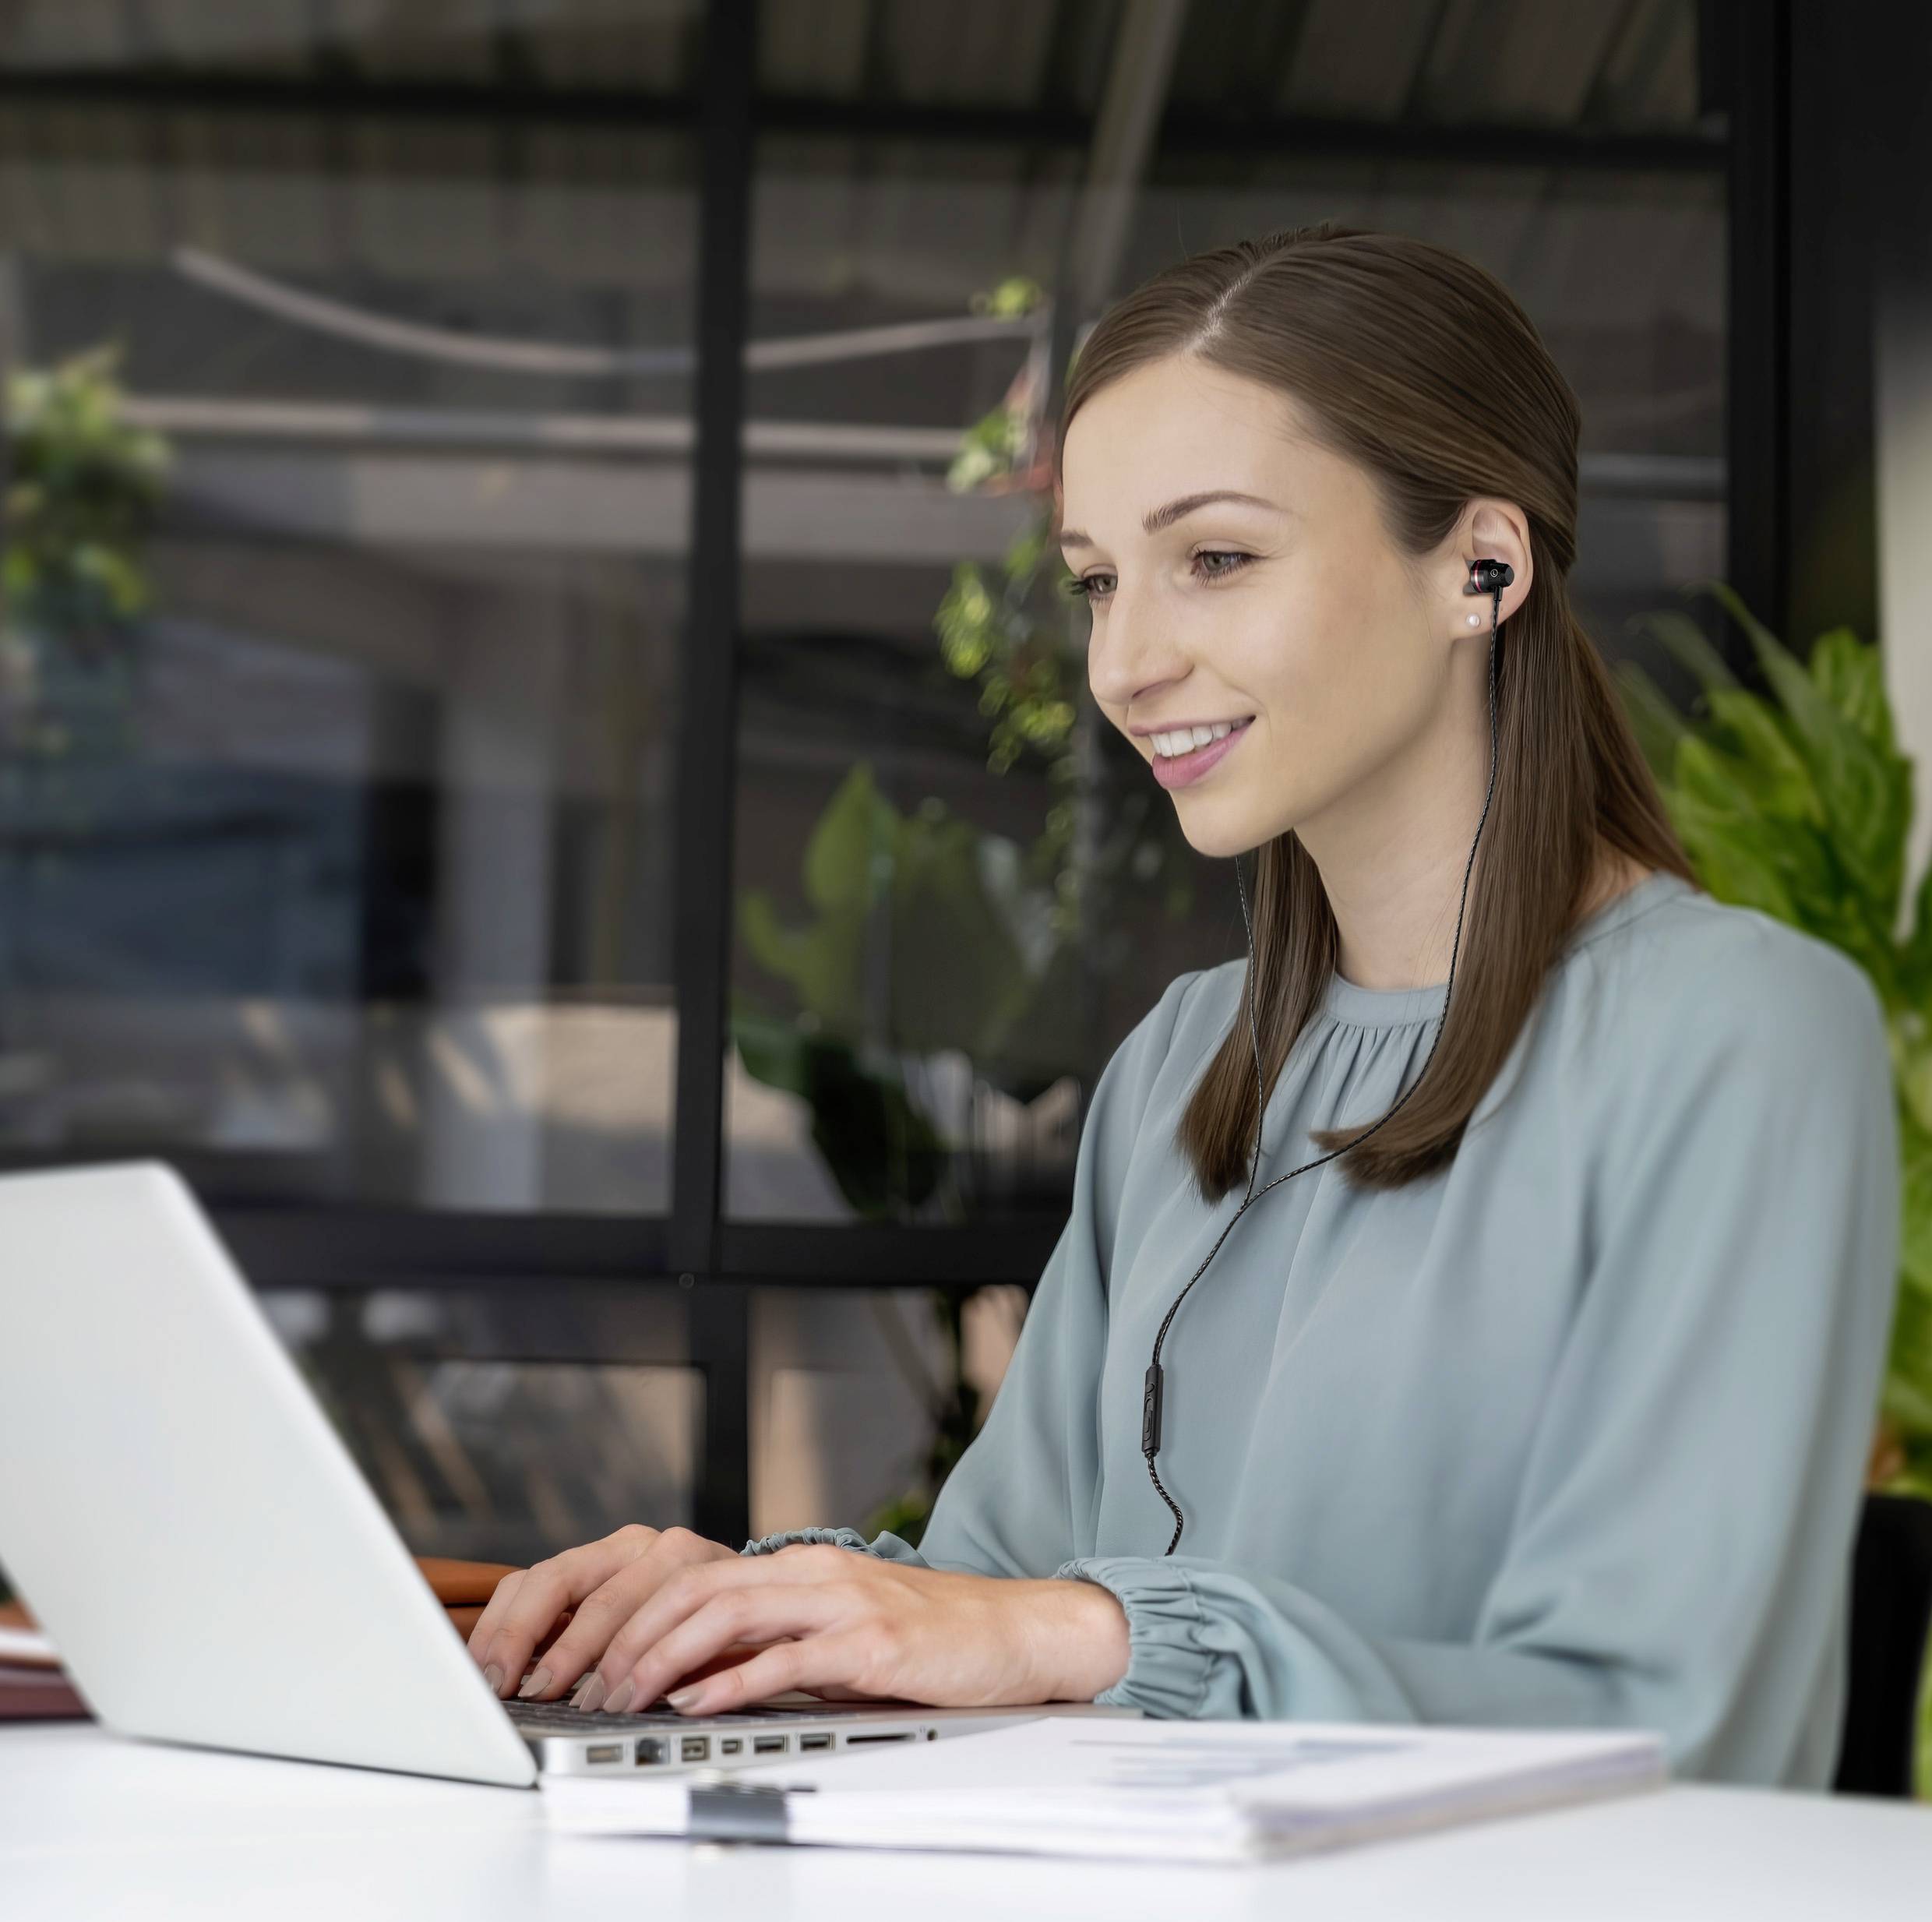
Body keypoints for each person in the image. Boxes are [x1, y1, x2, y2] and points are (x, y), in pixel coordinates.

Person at [464, 224, 1899, 1788]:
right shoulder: (1183, 1067)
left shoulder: (1741, 1037)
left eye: (1212, 556)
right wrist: (747, 1607)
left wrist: (1098, 1639)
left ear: (1480, 564)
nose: (1127, 660)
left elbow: (1666, 1715)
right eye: (1094, 581)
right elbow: (1001, 1585)